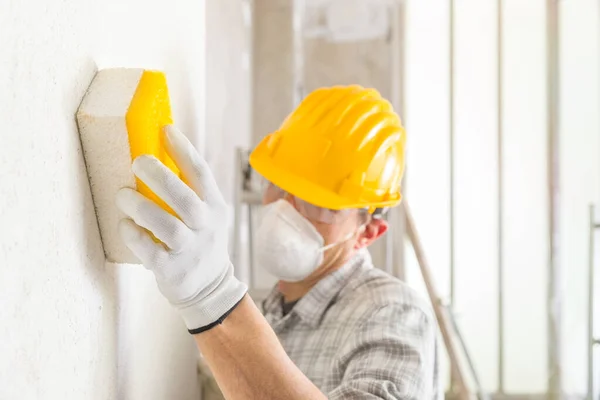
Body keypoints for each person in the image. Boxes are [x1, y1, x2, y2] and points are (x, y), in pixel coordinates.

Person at [115, 85, 439, 399]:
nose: (286, 209)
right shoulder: (270, 312)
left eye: (318, 203)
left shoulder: (392, 313)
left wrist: (212, 297)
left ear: (367, 233)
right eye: (280, 186)